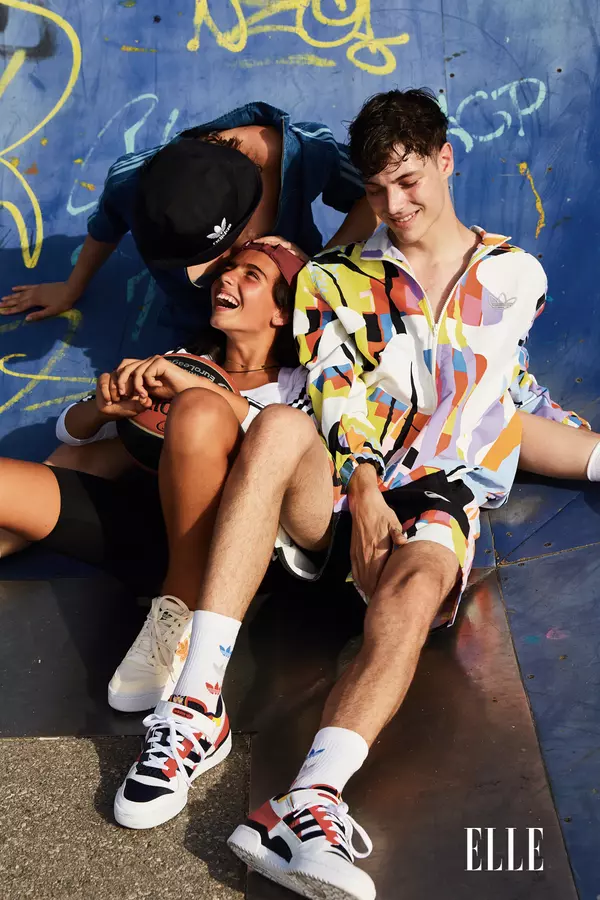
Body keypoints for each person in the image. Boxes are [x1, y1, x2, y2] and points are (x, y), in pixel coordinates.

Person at [112, 89, 599, 900]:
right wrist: (365, 487)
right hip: (340, 486)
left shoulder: (516, 276)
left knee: (425, 573)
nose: (395, 206)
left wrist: (582, 442)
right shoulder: (335, 280)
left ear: (445, 161)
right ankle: (197, 711)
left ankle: (308, 802)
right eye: (376, 190)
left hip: (435, 497)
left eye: (408, 182)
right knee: (279, 428)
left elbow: (509, 389)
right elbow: (333, 394)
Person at [0, 241, 308, 715]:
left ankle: (178, 612)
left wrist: (194, 391)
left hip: (225, 555)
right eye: (228, 268)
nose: (227, 278)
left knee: (199, 412)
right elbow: (71, 433)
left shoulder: (299, 385)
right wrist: (103, 406)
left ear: (282, 313)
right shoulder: (185, 359)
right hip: (141, 531)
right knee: (78, 458)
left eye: (251, 276)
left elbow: (292, 459)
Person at [0, 102, 375, 331]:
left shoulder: (304, 154)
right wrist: (72, 287)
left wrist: (319, 270)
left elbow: (374, 195)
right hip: (203, 330)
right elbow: (106, 225)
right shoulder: (131, 183)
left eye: (230, 247)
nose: (225, 273)